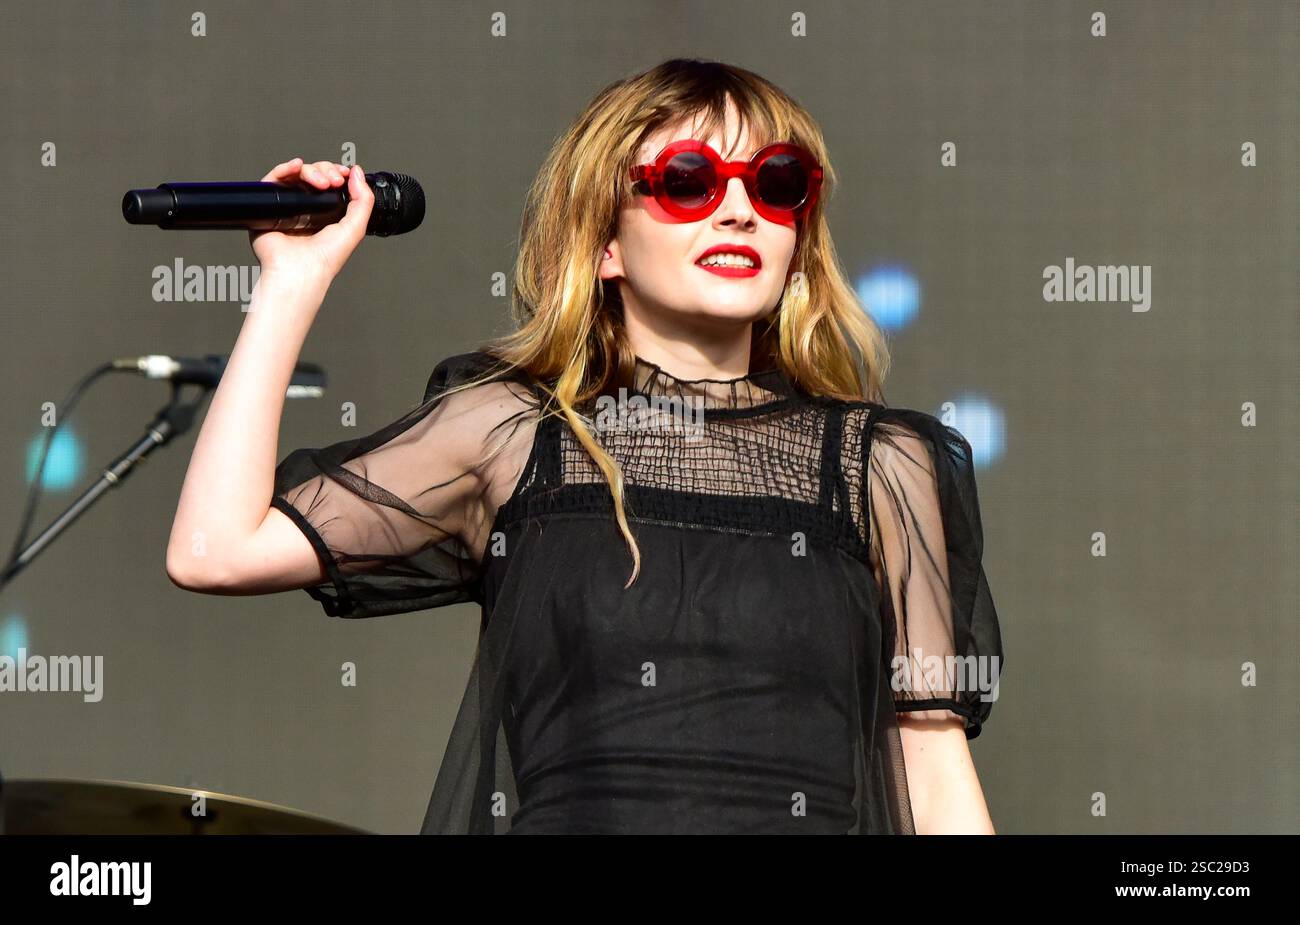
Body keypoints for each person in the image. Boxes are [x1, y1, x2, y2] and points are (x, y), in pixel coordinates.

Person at [166, 58, 1004, 834]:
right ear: (604, 244)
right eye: (689, 180)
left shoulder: (878, 463)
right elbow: (215, 551)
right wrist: (292, 281)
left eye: (777, 183)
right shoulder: (512, 433)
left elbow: (933, 771)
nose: (740, 209)